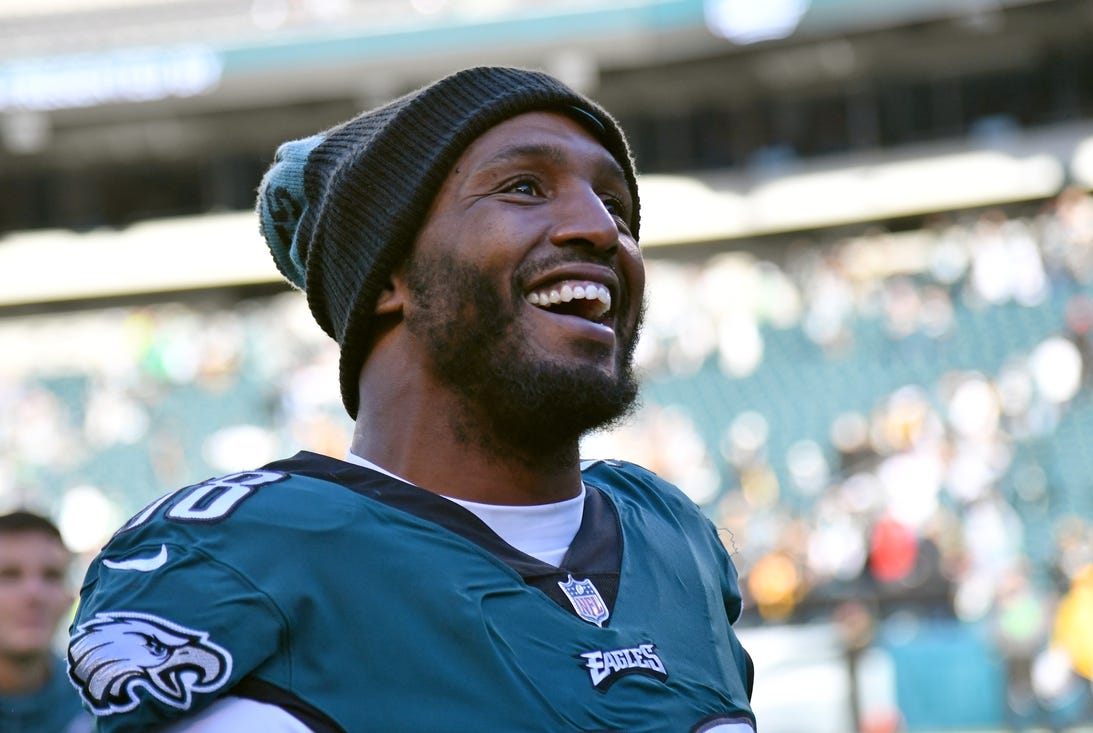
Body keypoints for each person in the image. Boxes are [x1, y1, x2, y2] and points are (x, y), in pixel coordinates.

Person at [67, 66, 756, 732]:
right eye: (523, 187)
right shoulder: (251, 556)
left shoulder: (672, 538)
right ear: (388, 274)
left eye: (615, 204)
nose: (604, 230)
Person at [0, 511, 91, 733]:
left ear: (70, 598)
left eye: (52, 576)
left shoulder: (102, 703)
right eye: (9, 575)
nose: (34, 594)